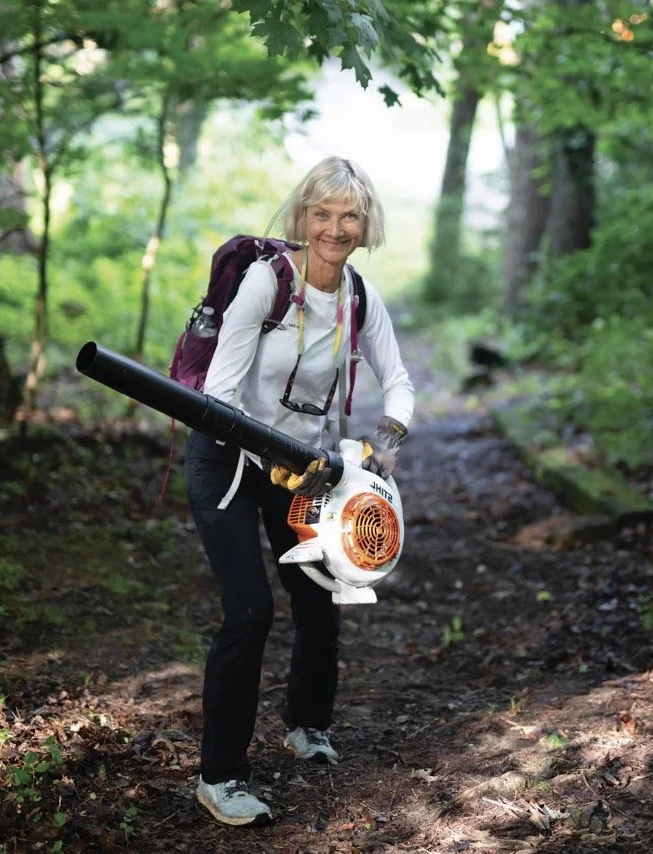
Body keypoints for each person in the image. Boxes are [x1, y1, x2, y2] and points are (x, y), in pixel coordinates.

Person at [185, 156, 415, 826]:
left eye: (349, 216)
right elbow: (220, 396)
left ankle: (307, 725)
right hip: (227, 458)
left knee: (320, 594)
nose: (334, 228)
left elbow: (397, 379)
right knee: (250, 609)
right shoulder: (266, 282)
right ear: (302, 217)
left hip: (305, 468)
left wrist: (389, 439)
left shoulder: (359, 298)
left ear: (365, 224)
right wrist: (270, 457)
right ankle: (220, 777)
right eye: (322, 214)